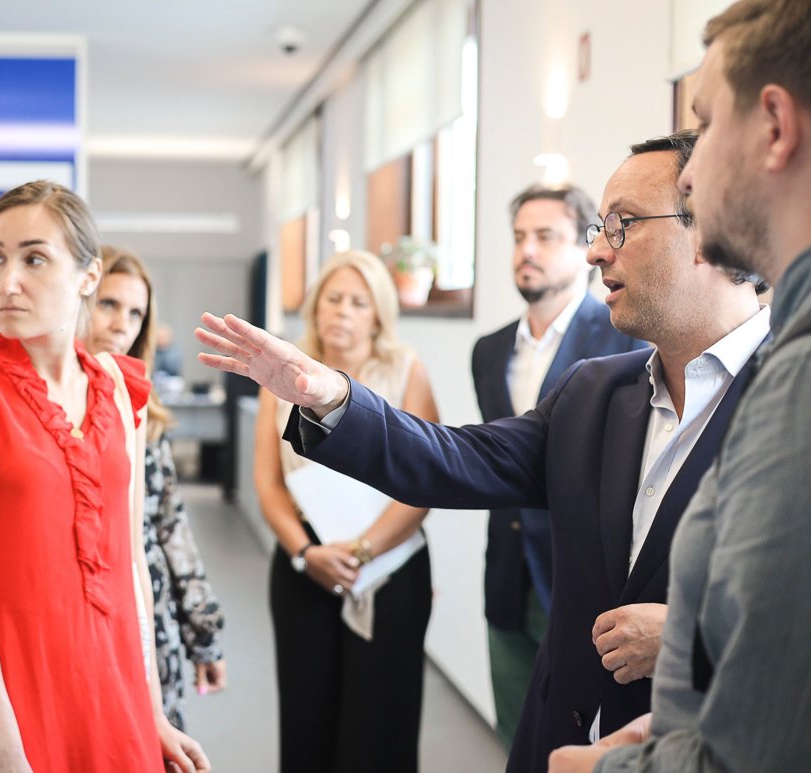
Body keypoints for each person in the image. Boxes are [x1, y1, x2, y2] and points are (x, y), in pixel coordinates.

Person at [195, 131, 770, 773]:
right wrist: (333, 396)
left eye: (623, 224)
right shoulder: (594, 391)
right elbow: (458, 459)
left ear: (711, 226)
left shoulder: (790, 401)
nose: (596, 252)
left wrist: (695, 637)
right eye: (599, 229)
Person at [550, 1, 811, 770]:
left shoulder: (793, 379)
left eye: (706, 124)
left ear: (774, 126)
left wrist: (612, 768)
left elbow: (757, 747)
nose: (690, 174)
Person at [0, 180, 208, 772]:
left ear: (88, 276)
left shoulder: (119, 386)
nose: (7, 281)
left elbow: (130, 565)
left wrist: (151, 709)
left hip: (112, 688)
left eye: (34, 259)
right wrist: (1, 745)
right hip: (4, 696)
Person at [473, 184, 647, 749]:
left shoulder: (623, 342)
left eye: (546, 236)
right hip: (507, 576)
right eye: (519, 237)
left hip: (583, 585)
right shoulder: (489, 350)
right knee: (515, 738)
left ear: (584, 246)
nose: (527, 250)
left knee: (576, 745)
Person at [255, 249, 440, 773]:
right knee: (306, 719)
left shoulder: (407, 371)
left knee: (379, 728)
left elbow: (425, 482)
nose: (342, 311)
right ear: (315, 306)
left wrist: (362, 551)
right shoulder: (283, 375)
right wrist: (305, 552)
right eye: (333, 298)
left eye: (359, 302)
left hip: (388, 567)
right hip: (305, 563)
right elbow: (268, 484)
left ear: (378, 315)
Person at [85, 244, 227, 731]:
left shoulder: (142, 407)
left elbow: (171, 527)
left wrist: (204, 633)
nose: (120, 324)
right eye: (108, 304)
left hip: (149, 616)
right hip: (81, 617)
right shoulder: (46, 404)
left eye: (135, 313)